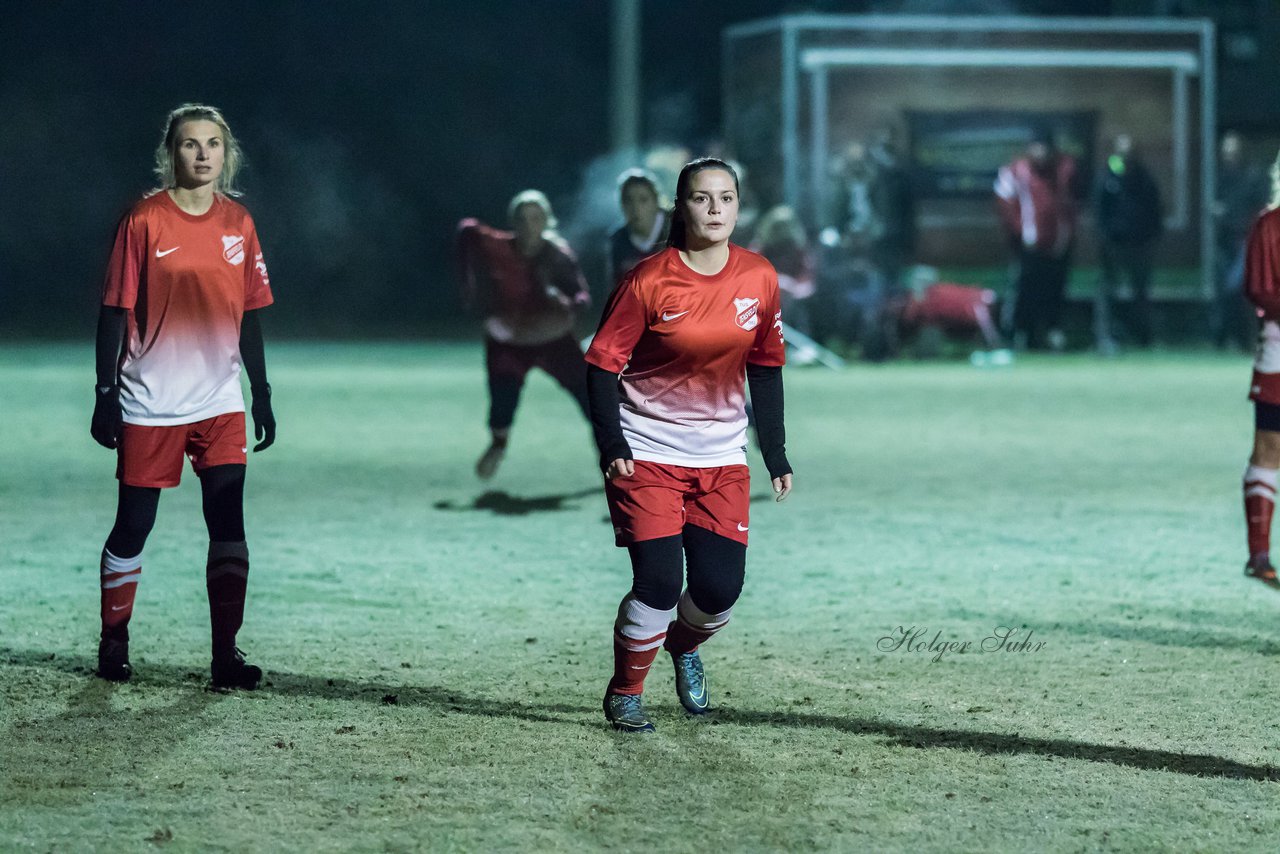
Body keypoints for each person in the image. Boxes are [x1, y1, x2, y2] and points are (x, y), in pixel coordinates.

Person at [585, 157, 792, 733]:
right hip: (648, 453)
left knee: (719, 590)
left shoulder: (759, 277)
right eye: (703, 199)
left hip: (722, 458)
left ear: (738, 206)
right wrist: (611, 442)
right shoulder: (648, 279)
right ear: (682, 207)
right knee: (657, 581)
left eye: (726, 198)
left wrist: (774, 452)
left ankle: (682, 646)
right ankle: (627, 691)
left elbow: (767, 369)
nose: (716, 209)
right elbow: (602, 366)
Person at [90, 104, 275, 688]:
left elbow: (249, 315)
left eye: (213, 144)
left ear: (227, 153)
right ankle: (114, 639)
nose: (202, 154)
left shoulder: (239, 223)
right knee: (134, 525)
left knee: (228, 522)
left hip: (220, 401)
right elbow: (114, 313)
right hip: (151, 400)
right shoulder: (144, 220)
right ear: (171, 153)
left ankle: (226, 656)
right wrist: (104, 394)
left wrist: (261, 390)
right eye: (190, 144)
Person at [455, 190, 592, 479]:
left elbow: (582, 297)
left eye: (536, 218)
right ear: (512, 222)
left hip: (552, 338)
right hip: (509, 338)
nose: (529, 225)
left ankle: (611, 454)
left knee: (590, 396)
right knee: (503, 400)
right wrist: (469, 288)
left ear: (547, 222)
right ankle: (498, 444)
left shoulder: (558, 256)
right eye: (523, 218)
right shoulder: (499, 246)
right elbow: (467, 229)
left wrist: (564, 301)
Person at [994, 130, 1080, 351]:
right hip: (1028, 244)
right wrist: (1019, 232)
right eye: (1037, 147)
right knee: (1025, 290)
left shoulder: (1064, 171)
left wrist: (1068, 234)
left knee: (1055, 290)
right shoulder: (1016, 172)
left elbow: (1072, 203)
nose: (1041, 152)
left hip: (1058, 244)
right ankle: (1023, 333)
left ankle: (1053, 332)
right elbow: (1005, 204)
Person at [1241, 148, 1280, 588]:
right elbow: (1259, 289)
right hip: (1278, 355)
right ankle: (1260, 554)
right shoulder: (1269, 225)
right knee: (1270, 448)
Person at [1093, 133, 1163, 352]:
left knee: (1141, 291)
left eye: (1130, 151)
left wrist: (1151, 237)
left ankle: (1143, 337)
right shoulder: (1108, 178)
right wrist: (1105, 236)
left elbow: (1154, 210)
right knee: (1108, 290)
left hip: (1140, 243)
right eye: (1122, 151)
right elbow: (1099, 210)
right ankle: (1105, 336)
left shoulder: (1144, 179)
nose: (1126, 155)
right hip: (1114, 244)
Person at [1214, 131, 1270, 351]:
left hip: (1248, 240)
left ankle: (1248, 338)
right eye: (1226, 151)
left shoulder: (1254, 177)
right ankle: (1236, 339)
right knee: (1229, 290)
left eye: (1233, 151)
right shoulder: (1222, 177)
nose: (1229, 156)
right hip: (1226, 240)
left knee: (1236, 287)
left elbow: (1258, 209)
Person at [749, 205, 816, 337]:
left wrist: (792, 287)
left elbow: (807, 281)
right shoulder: (760, 249)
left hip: (792, 296)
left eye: (785, 226)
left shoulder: (799, 251)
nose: (781, 231)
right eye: (778, 227)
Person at [606, 169, 670, 287]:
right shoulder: (619, 239)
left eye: (643, 200)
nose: (636, 208)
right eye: (629, 201)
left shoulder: (678, 229)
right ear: (621, 204)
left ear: (656, 202)